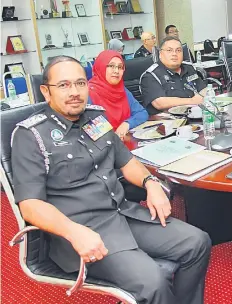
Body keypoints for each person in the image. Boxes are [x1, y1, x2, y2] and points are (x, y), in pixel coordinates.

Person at [11, 55, 211, 304]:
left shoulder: (96, 119)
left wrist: (151, 183)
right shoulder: (31, 136)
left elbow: (127, 162)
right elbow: (30, 205)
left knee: (197, 242)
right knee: (153, 281)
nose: (74, 92)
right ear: (46, 91)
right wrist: (74, 232)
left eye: (80, 83)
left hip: (122, 214)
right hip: (83, 232)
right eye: (63, 85)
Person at [88, 50, 148, 140]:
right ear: (101, 67)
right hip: (103, 146)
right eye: (111, 66)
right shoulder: (88, 93)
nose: (116, 71)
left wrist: (127, 124)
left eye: (120, 67)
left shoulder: (122, 90)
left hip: (125, 142)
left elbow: (142, 113)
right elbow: (90, 127)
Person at [140, 36, 207, 115]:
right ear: (160, 54)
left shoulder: (189, 68)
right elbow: (159, 103)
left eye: (178, 50)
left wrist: (202, 97)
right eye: (169, 50)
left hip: (195, 115)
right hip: (167, 121)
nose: (174, 54)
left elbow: (203, 90)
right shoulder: (150, 75)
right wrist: (192, 101)